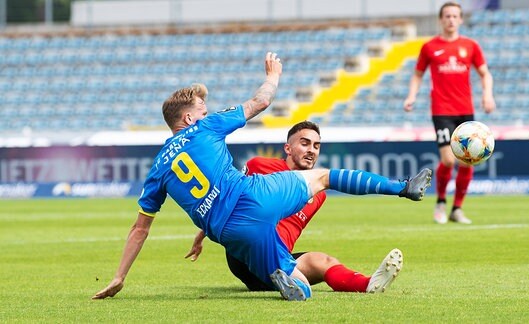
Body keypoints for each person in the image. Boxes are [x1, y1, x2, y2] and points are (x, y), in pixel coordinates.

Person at [93, 52, 432, 302]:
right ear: (188, 118)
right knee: (324, 178)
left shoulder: (157, 170)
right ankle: (402, 187)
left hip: (229, 234)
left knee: (295, 277)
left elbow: (140, 228)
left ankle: (292, 284)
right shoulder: (205, 128)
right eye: (202, 110)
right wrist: (273, 76)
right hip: (252, 195)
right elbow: (260, 101)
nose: (207, 114)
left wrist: (119, 276)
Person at [186, 120, 404, 294]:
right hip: (245, 251)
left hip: (280, 257)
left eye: (316, 146)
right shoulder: (259, 166)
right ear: (288, 148)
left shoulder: (318, 193)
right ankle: (285, 276)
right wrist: (202, 234)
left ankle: (367, 284)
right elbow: (227, 199)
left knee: (321, 261)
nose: (312, 150)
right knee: (261, 229)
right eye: (305, 143)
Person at [403, 2, 495, 225]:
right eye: (447, 16)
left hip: (466, 111)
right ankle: (441, 203)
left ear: (460, 20)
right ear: (441, 20)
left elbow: (485, 74)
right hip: (442, 110)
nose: (451, 19)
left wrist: (488, 95)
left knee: (466, 162)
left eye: (455, 16)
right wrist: (411, 96)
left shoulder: (470, 46)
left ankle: (457, 208)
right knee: (447, 159)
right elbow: (417, 75)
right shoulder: (430, 47)